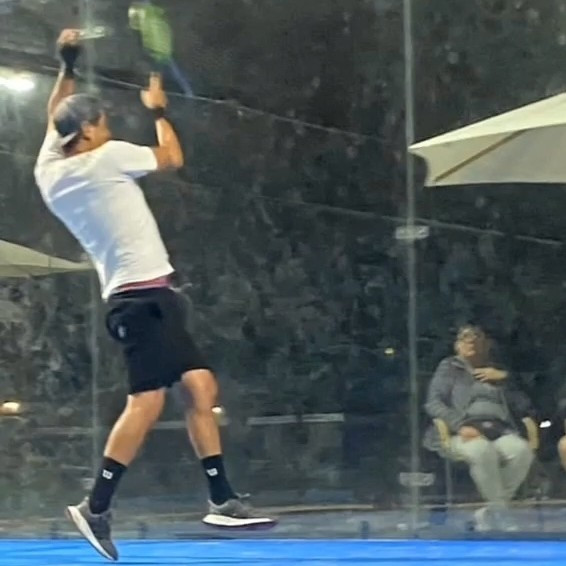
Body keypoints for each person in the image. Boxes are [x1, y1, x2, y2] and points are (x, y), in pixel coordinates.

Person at [34, 30, 275, 562]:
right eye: (104, 124)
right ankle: (96, 507)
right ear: (89, 132)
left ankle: (221, 499)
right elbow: (171, 157)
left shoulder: (49, 169)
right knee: (148, 400)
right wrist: (159, 110)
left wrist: (67, 64)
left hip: (147, 298)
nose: (109, 130)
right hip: (139, 301)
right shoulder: (107, 157)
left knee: (198, 384)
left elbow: (56, 116)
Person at [424, 325, 534, 531]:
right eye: (465, 339)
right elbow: (433, 403)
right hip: (463, 433)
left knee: (522, 451)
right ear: (457, 346)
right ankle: (501, 514)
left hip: (500, 431)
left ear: (487, 345)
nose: (471, 342)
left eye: (477, 339)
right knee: (482, 451)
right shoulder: (449, 368)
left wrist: (504, 379)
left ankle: (489, 511)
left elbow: (524, 404)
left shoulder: (497, 370)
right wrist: (459, 425)